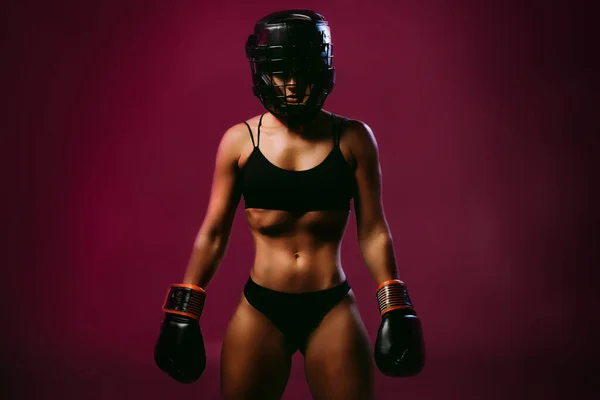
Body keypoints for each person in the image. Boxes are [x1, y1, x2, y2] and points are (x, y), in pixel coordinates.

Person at [154, 9, 426, 399]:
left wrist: (393, 302)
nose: (294, 85)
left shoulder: (352, 139)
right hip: (262, 307)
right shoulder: (240, 141)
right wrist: (184, 308)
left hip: (330, 305)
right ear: (265, 72)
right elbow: (213, 232)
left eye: (304, 71)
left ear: (322, 69)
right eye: (283, 74)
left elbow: (373, 230)